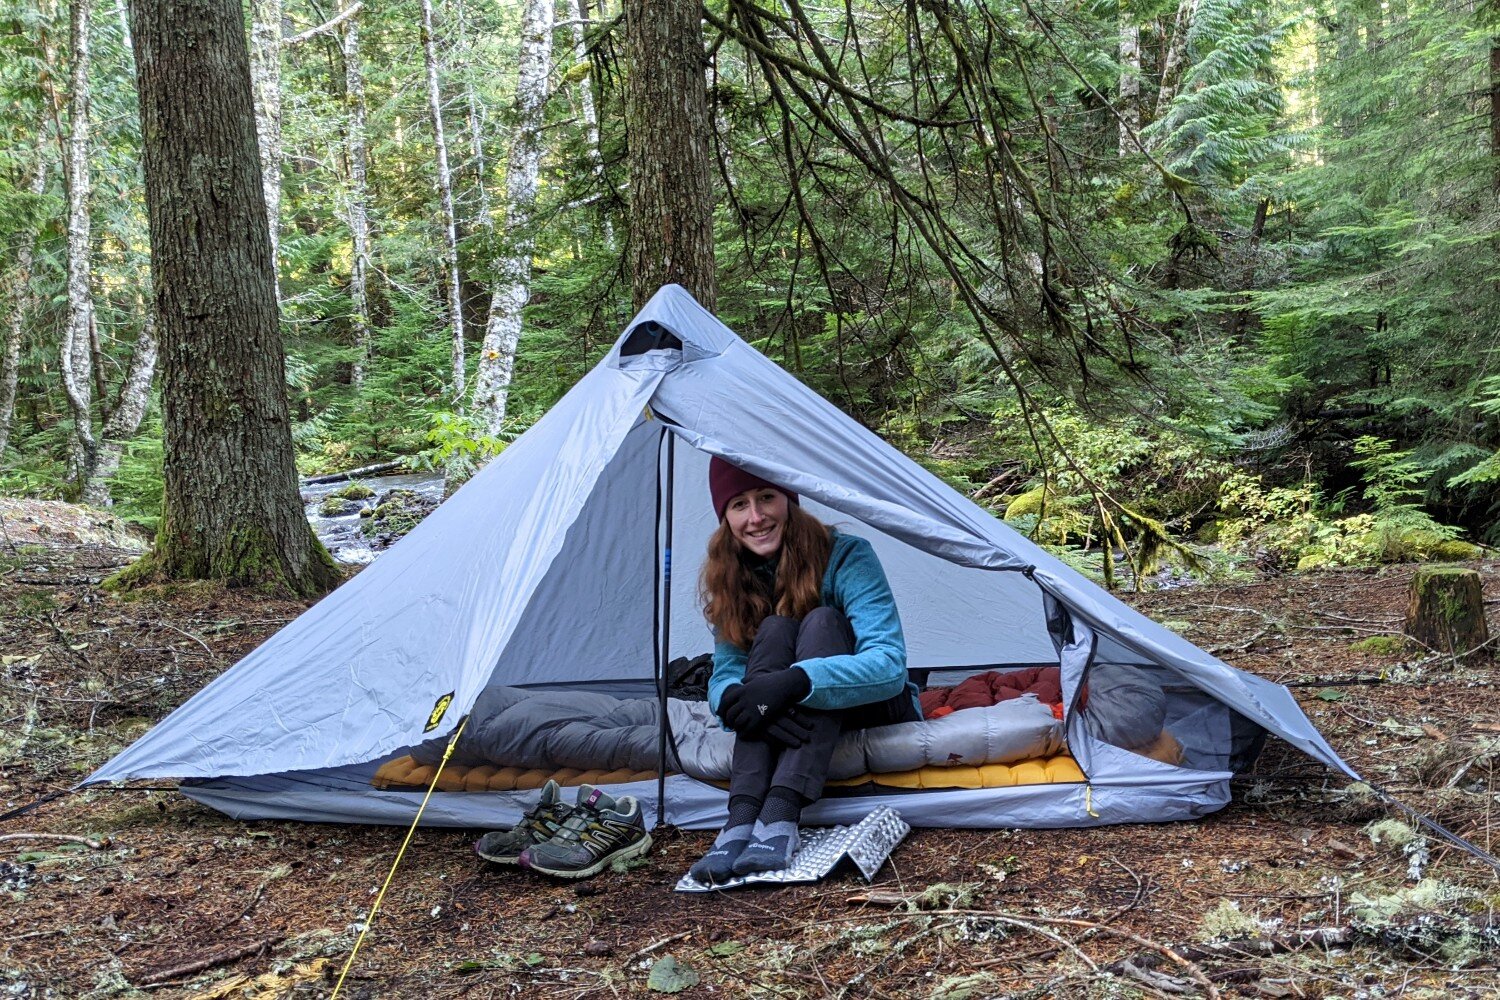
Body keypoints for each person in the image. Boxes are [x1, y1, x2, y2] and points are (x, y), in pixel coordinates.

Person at [689, 457, 921, 884]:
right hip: (790, 714)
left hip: (872, 704)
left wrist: (795, 683)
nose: (756, 517)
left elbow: (888, 664)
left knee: (822, 621)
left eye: (766, 498)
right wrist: (736, 701)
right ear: (726, 517)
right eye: (739, 505)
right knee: (775, 629)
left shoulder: (847, 554)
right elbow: (726, 672)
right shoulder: (731, 575)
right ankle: (740, 821)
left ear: (789, 500)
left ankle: (780, 813)